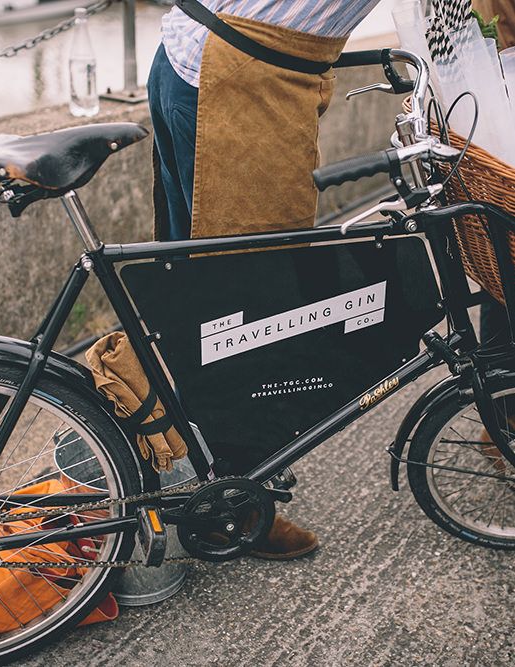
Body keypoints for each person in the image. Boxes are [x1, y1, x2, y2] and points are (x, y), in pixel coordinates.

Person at [147, 1, 384, 559]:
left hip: (203, 55)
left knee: (206, 294)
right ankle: (234, 505)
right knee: (249, 305)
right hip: (238, 76)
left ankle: (204, 475)